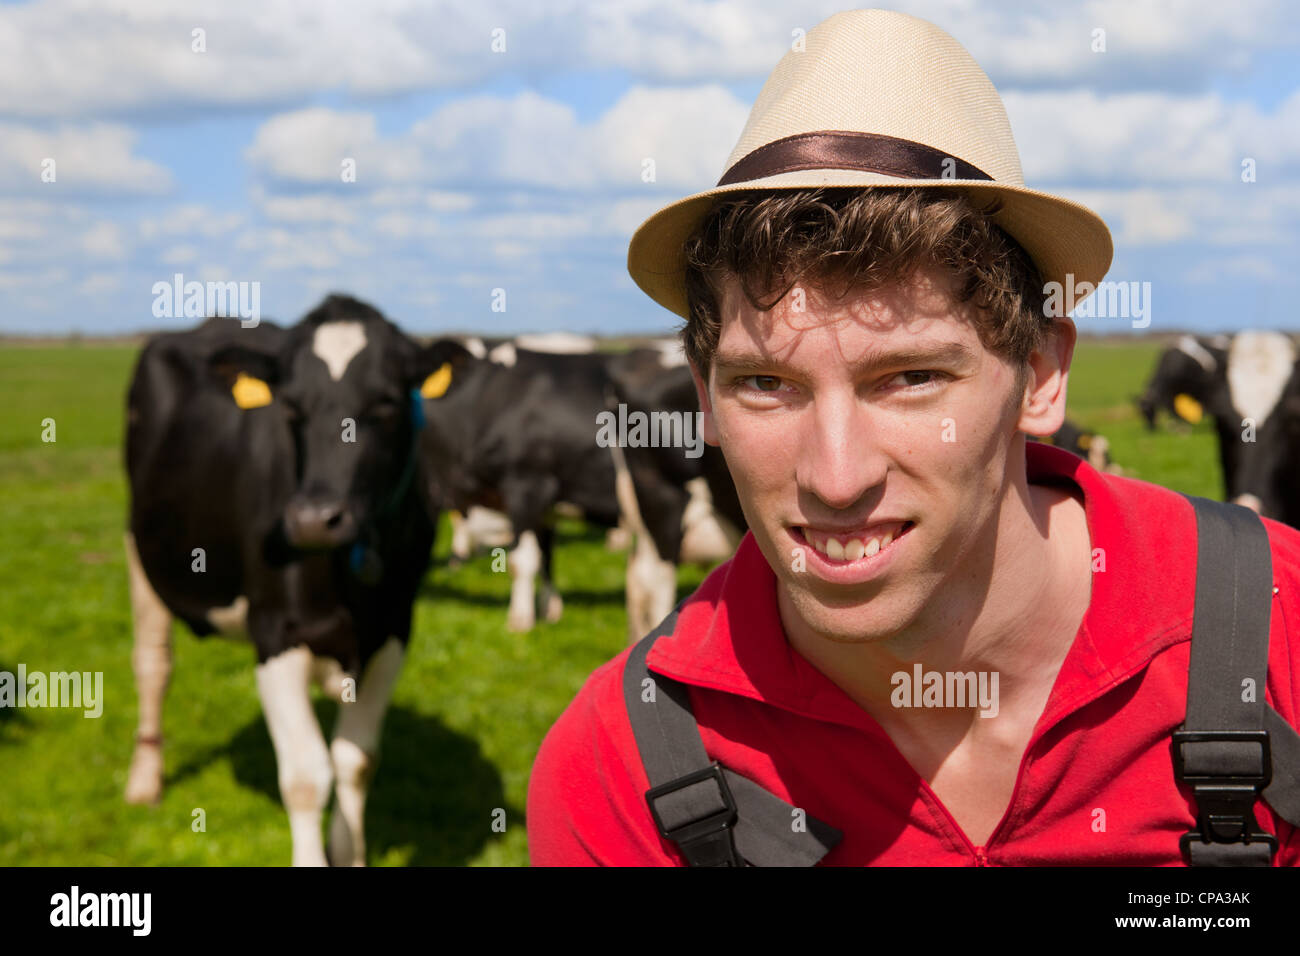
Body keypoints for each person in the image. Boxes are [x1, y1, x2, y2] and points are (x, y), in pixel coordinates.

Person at [525, 8, 1300, 865]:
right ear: (703, 397)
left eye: (909, 378)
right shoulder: (619, 770)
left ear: (1040, 375)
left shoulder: (1280, 637)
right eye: (765, 384)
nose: (835, 474)